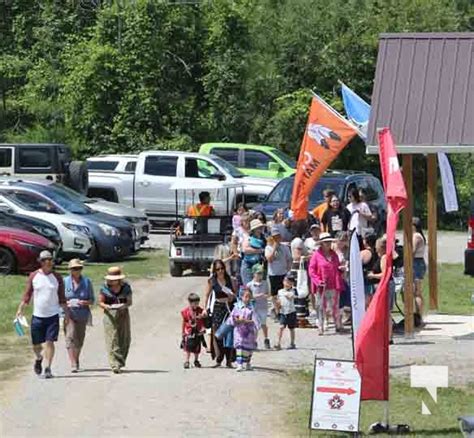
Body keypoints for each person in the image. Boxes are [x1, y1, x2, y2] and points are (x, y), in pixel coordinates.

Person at [16, 250, 69, 379]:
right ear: (41, 262)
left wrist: (67, 314)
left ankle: (48, 368)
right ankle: (39, 358)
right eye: (45, 260)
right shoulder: (34, 276)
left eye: (50, 260)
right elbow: (27, 295)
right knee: (36, 344)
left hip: (53, 316)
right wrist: (20, 309)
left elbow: (62, 297)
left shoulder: (57, 277)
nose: (48, 262)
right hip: (38, 316)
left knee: (50, 342)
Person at [98, 266, 132, 374]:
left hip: (123, 313)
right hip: (109, 314)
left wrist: (123, 305)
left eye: (115, 279)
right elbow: (101, 302)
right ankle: (114, 364)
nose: (113, 281)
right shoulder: (104, 288)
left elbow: (129, 302)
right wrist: (108, 306)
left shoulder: (126, 287)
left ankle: (120, 361)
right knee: (112, 338)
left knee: (124, 337)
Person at [309, 233, 344, 335]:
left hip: (334, 283)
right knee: (321, 306)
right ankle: (322, 325)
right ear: (321, 244)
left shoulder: (334, 254)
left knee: (335, 305)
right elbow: (311, 270)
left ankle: (337, 324)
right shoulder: (316, 255)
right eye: (325, 242)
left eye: (329, 242)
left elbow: (337, 267)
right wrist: (318, 281)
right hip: (321, 285)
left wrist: (341, 269)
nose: (328, 244)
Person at [203, 260, 236, 368]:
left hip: (228, 308)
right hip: (218, 307)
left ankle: (229, 360)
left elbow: (235, 294)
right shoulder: (212, 281)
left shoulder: (229, 279)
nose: (220, 271)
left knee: (228, 333)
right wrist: (205, 308)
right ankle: (219, 358)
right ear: (214, 270)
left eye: (222, 268)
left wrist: (232, 297)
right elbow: (207, 295)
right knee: (218, 334)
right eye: (218, 269)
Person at [63, 259, 94, 373]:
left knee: (79, 339)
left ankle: (76, 359)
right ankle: (73, 363)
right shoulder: (64, 281)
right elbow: (59, 298)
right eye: (74, 269)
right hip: (68, 313)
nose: (77, 271)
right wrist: (66, 303)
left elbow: (92, 300)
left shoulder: (87, 282)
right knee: (70, 336)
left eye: (79, 268)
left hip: (82, 313)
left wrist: (83, 302)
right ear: (70, 270)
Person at [367, 236, 395, 343]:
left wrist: (373, 276)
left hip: (386, 285)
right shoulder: (384, 257)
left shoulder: (384, 258)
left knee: (386, 312)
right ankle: (385, 335)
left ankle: (388, 336)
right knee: (383, 312)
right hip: (385, 285)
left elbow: (385, 274)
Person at [265, 226, 292, 316]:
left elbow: (289, 259)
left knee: (283, 293)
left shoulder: (285, 247)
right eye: (274, 237)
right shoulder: (268, 248)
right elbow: (269, 259)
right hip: (273, 273)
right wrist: (274, 248)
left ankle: (284, 311)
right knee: (274, 294)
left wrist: (288, 269)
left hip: (283, 273)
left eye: (278, 236)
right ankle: (277, 311)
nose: (276, 239)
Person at [230, 290, 260, 372]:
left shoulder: (252, 308)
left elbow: (255, 320)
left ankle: (247, 363)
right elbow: (232, 316)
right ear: (242, 297)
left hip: (249, 331)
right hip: (239, 330)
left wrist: (247, 321)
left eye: (249, 297)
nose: (247, 298)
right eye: (246, 296)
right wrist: (236, 319)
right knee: (239, 346)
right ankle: (239, 364)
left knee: (248, 348)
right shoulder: (237, 306)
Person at [245, 264, 271, 349]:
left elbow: (268, 294)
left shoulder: (265, 283)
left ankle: (266, 339)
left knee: (263, 324)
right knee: (255, 325)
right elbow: (247, 296)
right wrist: (256, 296)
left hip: (263, 306)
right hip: (254, 307)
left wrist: (265, 296)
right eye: (258, 273)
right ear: (254, 273)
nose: (260, 275)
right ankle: (254, 341)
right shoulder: (249, 284)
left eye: (261, 273)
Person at [181, 293, 206, 369]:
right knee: (188, 347)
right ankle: (187, 361)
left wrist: (203, 327)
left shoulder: (200, 310)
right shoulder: (186, 311)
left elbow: (204, 319)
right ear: (190, 303)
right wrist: (183, 332)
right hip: (189, 331)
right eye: (195, 303)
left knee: (197, 347)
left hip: (198, 331)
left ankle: (196, 360)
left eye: (197, 303)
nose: (196, 305)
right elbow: (184, 322)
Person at [275, 273, 298, 350]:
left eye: (290, 282)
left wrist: (286, 294)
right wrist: (277, 306)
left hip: (291, 312)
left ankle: (292, 343)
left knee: (291, 328)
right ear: (283, 282)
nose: (288, 284)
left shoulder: (293, 290)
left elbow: (291, 297)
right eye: (287, 281)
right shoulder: (280, 291)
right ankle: (278, 343)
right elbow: (278, 300)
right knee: (281, 327)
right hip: (283, 312)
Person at [240, 219, 266, 285]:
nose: (260, 230)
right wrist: (259, 251)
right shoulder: (248, 238)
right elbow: (245, 250)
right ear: (254, 229)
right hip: (248, 265)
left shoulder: (263, 238)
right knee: (248, 286)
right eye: (258, 228)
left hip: (258, 265)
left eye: (260, 228)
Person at [412, 217, 426, 322]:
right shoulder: (418, 235)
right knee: (416, 291)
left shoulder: (416, 236)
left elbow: (412, 250)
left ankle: (419, 316)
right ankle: (418, 314)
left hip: (416, 263)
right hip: (418, 263)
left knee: (417, 291)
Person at [360, 233, 378, 307]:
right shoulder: (377, 252)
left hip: (366, 280)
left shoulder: (365, 252)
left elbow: (356, 264)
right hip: (373, 280)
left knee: (366, 301)